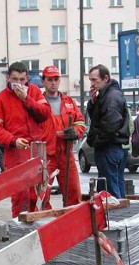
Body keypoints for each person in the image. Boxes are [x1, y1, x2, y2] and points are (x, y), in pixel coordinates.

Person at [0, 61, 51, 217]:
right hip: (15, 152)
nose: (19, 83)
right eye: (15, 79)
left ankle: (42, 229)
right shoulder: (0, 99)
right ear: (8, 78)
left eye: (22, 80)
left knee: (41, 194)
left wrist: (27, 99)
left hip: (36, 151)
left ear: (27, 78)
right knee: (20, 196)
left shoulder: (34, 91)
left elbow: (45, 114)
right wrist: (13, 140)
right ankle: (20, 231)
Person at [40, 65, 86, 207]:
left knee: (73, 191)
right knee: (42, 195)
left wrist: (76, 132)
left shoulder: (69, 102)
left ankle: (72, 224)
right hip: (47, 156)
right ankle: (44, 224)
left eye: (56, 79)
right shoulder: (39, 103)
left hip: (66, 154)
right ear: (43, 81)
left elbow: (80, 122)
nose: (53, 82)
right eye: (50, 79)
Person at [86, 64, 131, 199]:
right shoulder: (107, 95)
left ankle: (116, 218)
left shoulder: (111, 97)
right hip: (111, 146)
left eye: (94, 80)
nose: (92, 84)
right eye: (90, 80)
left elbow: (110, 125)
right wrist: (93, 102)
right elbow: (99, 118)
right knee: (114, 185)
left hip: (109, 147)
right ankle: (119, 215)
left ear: (105, 78)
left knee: (111, 190)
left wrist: (95, 141)